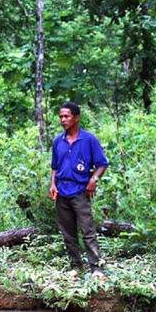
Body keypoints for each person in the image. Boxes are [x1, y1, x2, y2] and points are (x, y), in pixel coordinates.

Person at [48, 102, 108, 279]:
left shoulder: (88, 139)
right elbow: (55, 167)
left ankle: (96, 268)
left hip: (80, 192)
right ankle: (75, 265)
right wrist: (52, 184)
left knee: (87, 230)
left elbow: (102, 164)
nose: (63, 120)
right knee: (68, 232)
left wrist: (93, 179)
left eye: (66, 116)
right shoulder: (58, 141)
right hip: (61, 192)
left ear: (76, 118)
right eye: (61, 116)